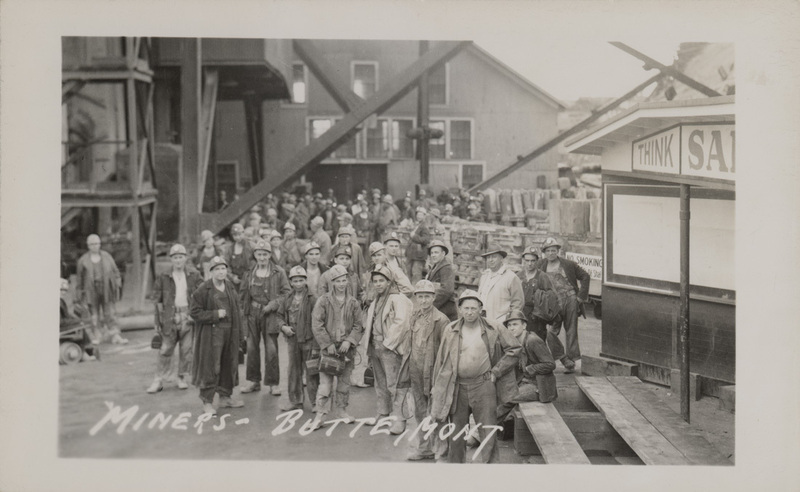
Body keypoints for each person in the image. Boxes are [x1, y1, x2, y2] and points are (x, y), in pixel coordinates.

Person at [429, 290, 521, 463]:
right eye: (466, 308)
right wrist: (438, 387)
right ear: (460, 309)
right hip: (457, 386)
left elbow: (514, 349)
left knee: (487, 431)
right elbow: (441, 360)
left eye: (473, 308)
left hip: (484, 384)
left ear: (480, 309)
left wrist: (497, 371)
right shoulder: (451, 329)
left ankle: (490, 472)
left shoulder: (493, 327)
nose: (469, 312)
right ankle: (457, 471)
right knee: (456, 433)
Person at [310, 264, 364, 429]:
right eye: (337, 281)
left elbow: (358, 325)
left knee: (344, 383)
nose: (341, 283)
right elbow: (317, 324)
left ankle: (341, 410)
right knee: (325, 384)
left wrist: (349, 341)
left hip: (346, 350)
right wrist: (327, 344)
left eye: (344, 280)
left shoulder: (353, 303)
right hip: (329, 350)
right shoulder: (323, 301)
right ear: (331, 282)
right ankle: (320, 414)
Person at [189, 256, 245, 415]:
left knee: (229, 363)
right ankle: (207, 402)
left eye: (223, 268)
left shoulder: (230, 286)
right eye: (217, 269)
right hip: (212, 335)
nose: (221, 272)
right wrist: (214, 314)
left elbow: (237, 311)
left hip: (230, 333)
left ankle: (225, 397)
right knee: (211, 367)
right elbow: (194, 312)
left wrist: (241, 334)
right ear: (211, 271)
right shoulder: (203, 289)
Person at [362, 266, 414, 435]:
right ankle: (383, 412)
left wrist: (388, 343)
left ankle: (400, 418)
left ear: (389, 282)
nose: (378, 284)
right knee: (380, 382)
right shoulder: (377, 299)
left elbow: (402, 323)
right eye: (375, 281)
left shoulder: (397, 298)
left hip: (389, 348)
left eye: (381, 281)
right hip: (375, 346)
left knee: (395, 384)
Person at [148, 244, 203, 393]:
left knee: (186, 350)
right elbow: (157, 301)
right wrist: (157, 323)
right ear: (171, 259)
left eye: (181, 257)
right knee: (165, 349)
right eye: (175, 257)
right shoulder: (163, 276)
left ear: (185, 258)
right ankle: (158, 379)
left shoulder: (194, 275)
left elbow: (202, 295)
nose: (178, 260)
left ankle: (181, 377)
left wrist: (195, 313)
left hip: (188, 317)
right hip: (169, 317)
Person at [239, 240, 291, 396]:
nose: (262, 257)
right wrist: (244, 315)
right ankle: (253, 381)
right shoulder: (249, 273)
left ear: (270, 255)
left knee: (271, 349)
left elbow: (287, 293)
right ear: (255, 255)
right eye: (259, 254)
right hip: (252, 314)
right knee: (252, 348)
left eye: (265, 254)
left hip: (270, 315)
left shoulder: (278, 272)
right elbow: (242, 296)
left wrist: (273, 304)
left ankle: (273, 383)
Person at [406, 280, 449, 461]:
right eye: (420, 296)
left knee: (437, 413)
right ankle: (425, 448)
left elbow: (446, 351)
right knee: (420, 411)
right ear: (416, 298)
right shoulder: (414, 315)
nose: (424, 300)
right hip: (416, 372)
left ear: (433, 297)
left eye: (427, 296)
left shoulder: (441, 320)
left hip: (433, 373)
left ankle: (442, 451)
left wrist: (440, 377)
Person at [537, 237, 590, 374]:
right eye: (547, 251)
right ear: (544, 252)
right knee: (550, 332)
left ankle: (571, 362)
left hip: (570, 299)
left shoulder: (568, 264)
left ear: (558, 251)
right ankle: (562, 357)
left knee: (571, 330)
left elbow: (585, 276)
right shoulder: (540, 265)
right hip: (552, 303)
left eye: (553, 250)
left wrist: (580, 298)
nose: (550, 253)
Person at [500, 310, 557, 419]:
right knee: (498, 394)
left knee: (507, 398)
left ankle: (484, 431)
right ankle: (496, 430)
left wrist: (529, 368)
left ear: (524, 325)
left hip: (539, 386)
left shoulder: (532, 341)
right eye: (509, 325)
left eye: (515, 324)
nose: (511, 328)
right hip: (524, 382)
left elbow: (550, 364)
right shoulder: (515, 341)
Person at [277, 266, 319, 412]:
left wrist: (316, 344)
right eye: (295, 281)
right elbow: (279, 316)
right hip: (293, 340)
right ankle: (295, 401)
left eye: (301, 280)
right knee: (294, 371)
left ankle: (315, 402)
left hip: (308, 339)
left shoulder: (313, 298)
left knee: (312, 371)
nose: (298, 283)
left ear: (306, 280)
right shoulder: (287, 298)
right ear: (291, 282)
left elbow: (319, 321)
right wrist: (283, 327)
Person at [75, 234, 127, 344]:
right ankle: (97, 336)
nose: (95, 246)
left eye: (97, 244)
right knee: (93, 314)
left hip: (106, 288)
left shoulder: (107, 256)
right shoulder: (83, 260)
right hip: (91, 290)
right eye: (92, 244)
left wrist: (117, 284)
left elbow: (115, 271)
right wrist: (79, 294)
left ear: (100, 244)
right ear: (88, 246)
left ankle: (115, 335)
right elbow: (79, 279)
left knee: (110, 312)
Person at [516, 246, 556, 338]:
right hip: (520, 315)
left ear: (537, 261)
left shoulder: (542, 277)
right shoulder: (518, 276)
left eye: (533, 261)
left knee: (536, 343)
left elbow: (551, 297)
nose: (529, 264)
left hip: (537, 318)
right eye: (527, 260)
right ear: (523, 260)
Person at [476, 248, 524, 323]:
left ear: (501, 258)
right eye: (488, 257)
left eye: (494, 257)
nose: (491, 260)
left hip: (500, 322)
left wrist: (509, 321)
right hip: (482, 319)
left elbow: (517, 303)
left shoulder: (511, 277)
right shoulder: (484, 276)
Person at [425, 239, 457, 321]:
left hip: (445, 310)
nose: (433, 255)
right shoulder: (436, 266)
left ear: (443, 254)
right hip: (439, 309)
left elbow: (447, 290)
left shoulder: (446, 267)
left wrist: (431, 306)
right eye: (432, 253)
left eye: (436, 252)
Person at [406, 207, 432, 284]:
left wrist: (414, 236)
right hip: (412, 254)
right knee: (409, 273)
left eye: (421, 215)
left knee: (416, 274)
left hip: (418, 255)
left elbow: (426, 240)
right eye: (418, 214)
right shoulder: (417, 225)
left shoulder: (424, 226)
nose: (418, 216)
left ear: (424, 216)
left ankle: (415, 291)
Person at [225, 223, 254, 288]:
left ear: (243, 233)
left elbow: (258, 261)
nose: (237, 237)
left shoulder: (251, 246)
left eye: (239, 234)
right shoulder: (230, 249)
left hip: (250, 280)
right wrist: (232, 277)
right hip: (236, 282)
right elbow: (226, 265)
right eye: (235, 235)